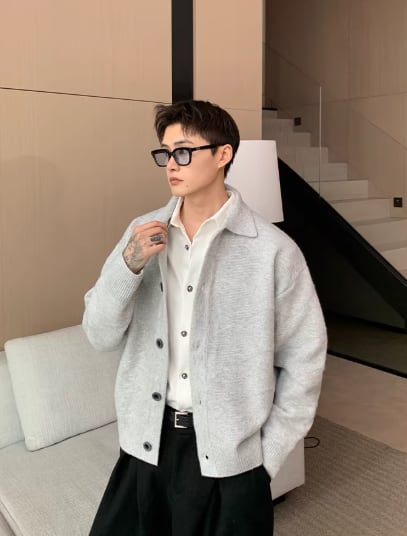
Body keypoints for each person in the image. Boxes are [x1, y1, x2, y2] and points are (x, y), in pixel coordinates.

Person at [83, 99, 327, 536]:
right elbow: (99, 335)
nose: (171, 164)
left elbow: (305, 358)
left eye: (183, 151)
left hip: (232, 462)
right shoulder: (141, 234)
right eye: (165, 153)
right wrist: (128, 264)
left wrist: (266, 458)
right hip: (146, 445)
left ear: (222, 154)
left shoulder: (272, 250)